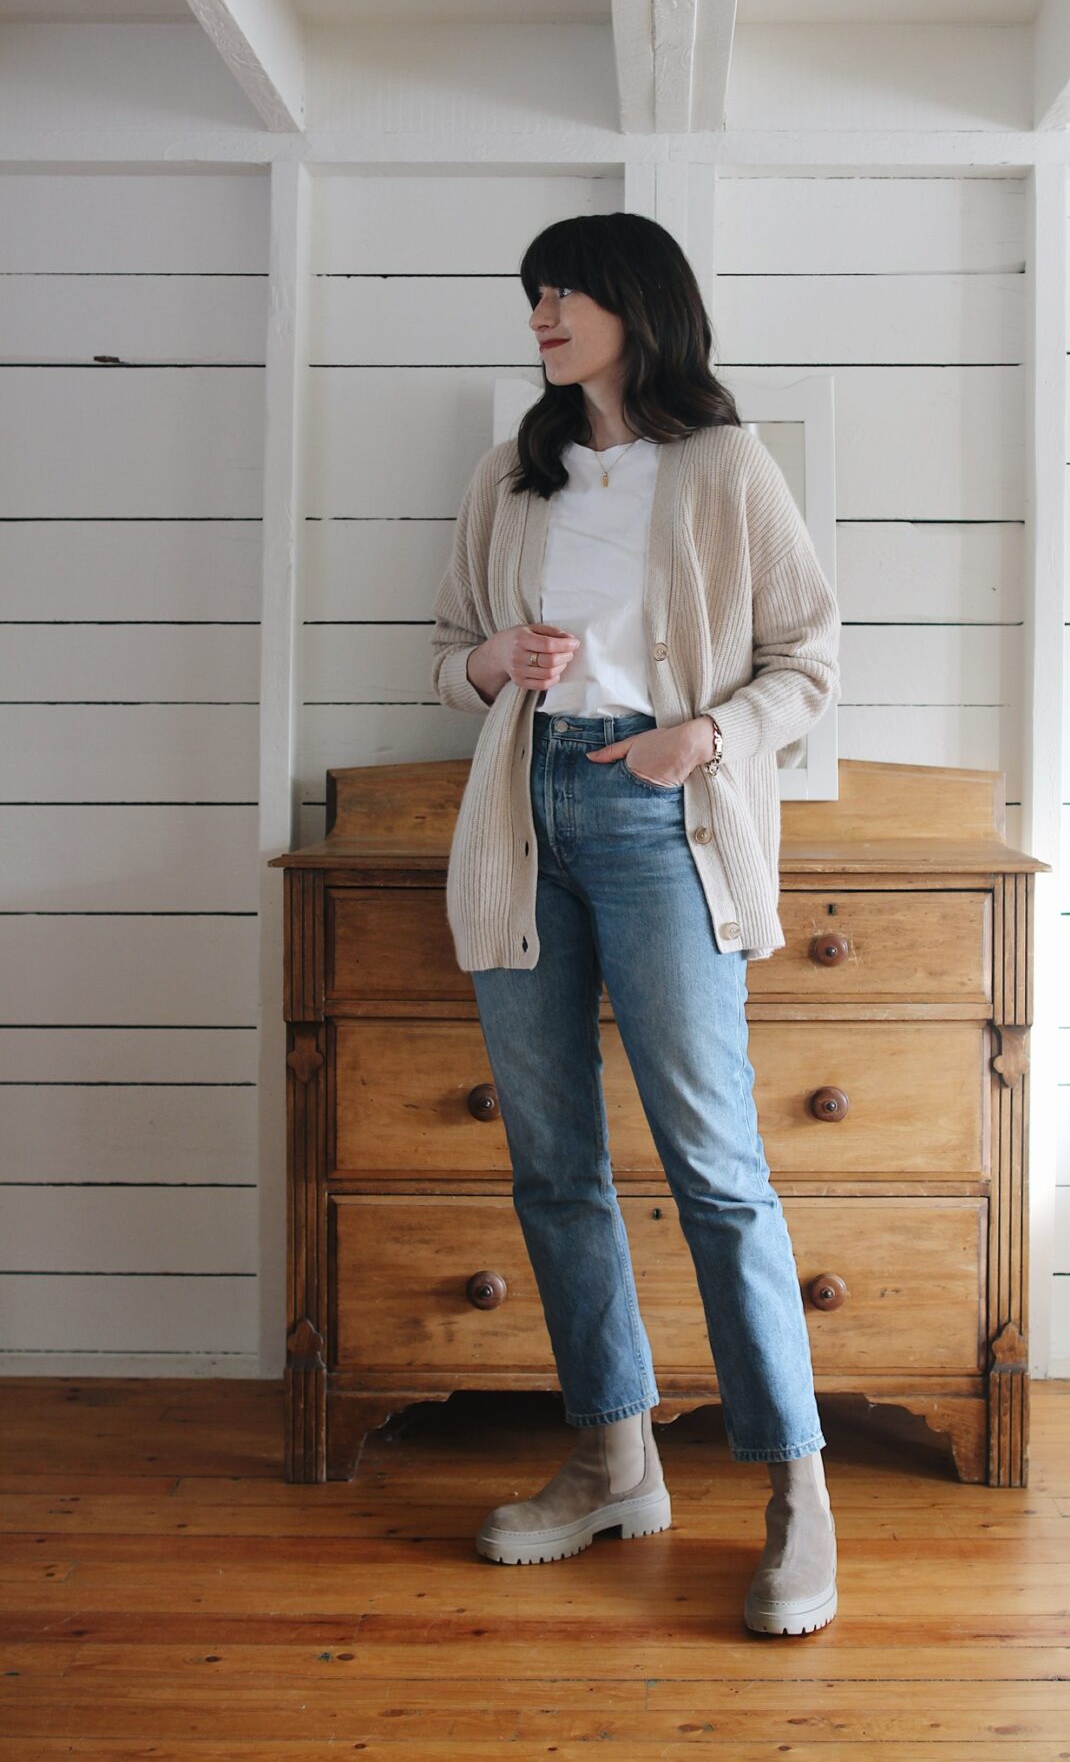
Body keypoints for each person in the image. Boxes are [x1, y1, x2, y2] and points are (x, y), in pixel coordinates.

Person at [428, 211, 842, 1636]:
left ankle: (796, 1499)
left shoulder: (722, 464)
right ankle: (614, 1460)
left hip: (663, 820)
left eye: (564, 291)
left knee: (714, 1167)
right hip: (522, 819)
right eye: (530, 292)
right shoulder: (511, 474)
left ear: (634, 305)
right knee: (552, 1165)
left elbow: (808, 658)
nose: (541, 313)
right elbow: (448, 649)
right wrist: (490, 660)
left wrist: (703, 740)